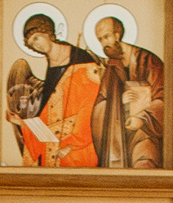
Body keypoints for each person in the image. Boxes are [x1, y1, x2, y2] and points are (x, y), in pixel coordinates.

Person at [6, 13, 105, 168]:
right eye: (31, 43)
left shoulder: (83, 62)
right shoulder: (52, 66)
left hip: (77, 149)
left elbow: (90, 109)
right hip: (54, 151)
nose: (36, 45)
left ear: (47, 32)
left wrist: (71, 145)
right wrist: (21, 123)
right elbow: (48, 114)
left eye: (36, 38)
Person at [90, 15, 165, 169]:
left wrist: (142, 118)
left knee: (144, 167)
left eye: (106, 37)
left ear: (117, 35)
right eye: (100, 40)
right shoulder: (111, 68)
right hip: (119, 136)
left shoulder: (149, 61)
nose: (104, 44)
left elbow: (164, 98)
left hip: (146, 133)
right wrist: (119, 101)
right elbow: (100, 104)